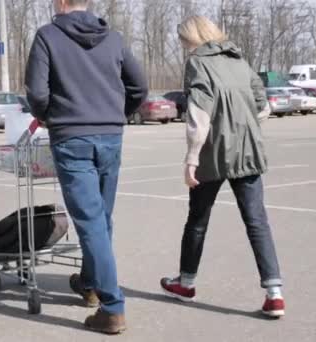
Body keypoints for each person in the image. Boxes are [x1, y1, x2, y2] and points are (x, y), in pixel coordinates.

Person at [24, 0, 147, 334]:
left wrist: (50, 116)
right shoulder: (114, 38)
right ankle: (90, 284)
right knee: (101, 219)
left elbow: (36, 92)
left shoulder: (47, 36)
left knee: (92, 222)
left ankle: (112, 307)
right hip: (110, 136)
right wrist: (117, 114)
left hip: (71, 137)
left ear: (62, 2)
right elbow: (139, 86)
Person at [159, 16, 285, 318]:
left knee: (197, 221)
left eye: (183, 40)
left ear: (193, 38)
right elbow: (263, 106)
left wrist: (191, 159)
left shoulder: (198, 64)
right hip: (248, 152)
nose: (183, 46)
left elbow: (199, 114)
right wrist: (242, 126)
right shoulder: (239, 61)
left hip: (212, 153)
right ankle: (275, 294)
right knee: (257, 222)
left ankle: (186, 284)